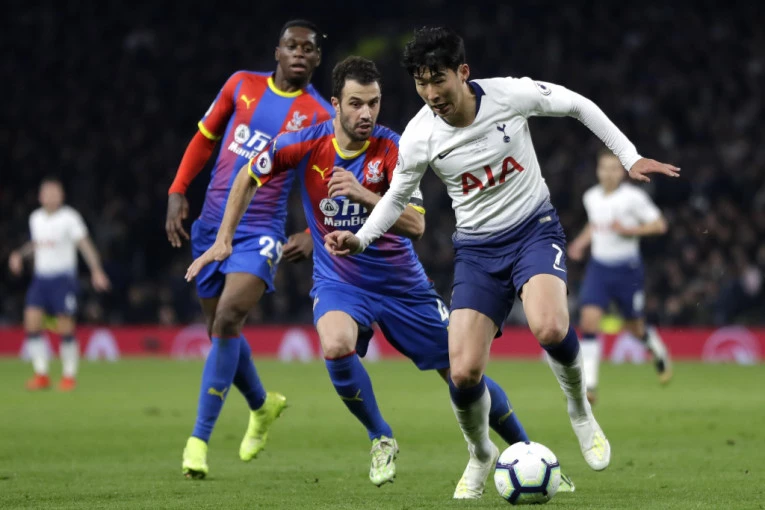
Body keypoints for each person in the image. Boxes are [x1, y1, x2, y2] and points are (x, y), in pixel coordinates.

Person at [186, 56, 575, 492]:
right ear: (336, 104)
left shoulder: (394, 148)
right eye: (356, 103)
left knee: (462, 374)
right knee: (335, 345)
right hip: (340, 281)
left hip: (402, 286)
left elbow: (416, 225)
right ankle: (380, 436)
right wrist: (224, 239)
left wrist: (364, 194)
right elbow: (247, 174)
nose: (366, 113)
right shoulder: (305, 142)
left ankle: (527, 452)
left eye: (373, 103)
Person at [324, 27, 681, 498]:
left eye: (438, 80)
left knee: (549, 327)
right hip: (476, 251)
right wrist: (362, 238)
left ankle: (579, 410)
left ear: (463, 72)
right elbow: (396, 197)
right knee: (463, 373)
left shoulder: (509, 95)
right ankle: (480, 453)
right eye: (421, 83)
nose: (431, 94)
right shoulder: (419, 136)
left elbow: (577, 104)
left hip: (533, 230)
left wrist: (628, 156)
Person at [165, 19, 334, 479]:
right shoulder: (241, 85)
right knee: (220, 330)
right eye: (291, 46)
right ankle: (262, 405)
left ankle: (198, 441)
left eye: (308, 49)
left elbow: (322, 182)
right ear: (277, 51)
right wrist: (178, 188)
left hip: (261, 231)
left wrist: (312, 233)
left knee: (227, 319)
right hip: (210, 227)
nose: (299, 53)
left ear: (317, 59)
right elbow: (205, 138)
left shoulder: (320, 115)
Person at [568, 148, 673, 404]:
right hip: (599, 268)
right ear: (598, 170)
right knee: (589, 321)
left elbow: (660, 225)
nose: (609, 173)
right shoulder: (591, 197)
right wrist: (580, 242)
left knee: (634, 327)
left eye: (614, 168)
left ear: (622, 172)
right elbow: (595, 225)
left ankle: (658, 350)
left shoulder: (633, 198)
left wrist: (629, 231)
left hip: (627, 270)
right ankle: (590, 386)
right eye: (604, 168)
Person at [8, 177, 111, 391]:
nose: (51, 196)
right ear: (41, 196)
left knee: (65, 327)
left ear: (62, 196)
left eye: (55, 193)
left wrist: (96, 270)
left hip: (63, 279)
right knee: (31, 323)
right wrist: (19, 255)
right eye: (47, 193)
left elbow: (84, 244)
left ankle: (69, 376)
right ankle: (41, 374)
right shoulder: (35, 218)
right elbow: (36, 243)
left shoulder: (70, 218)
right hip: (40, 279)